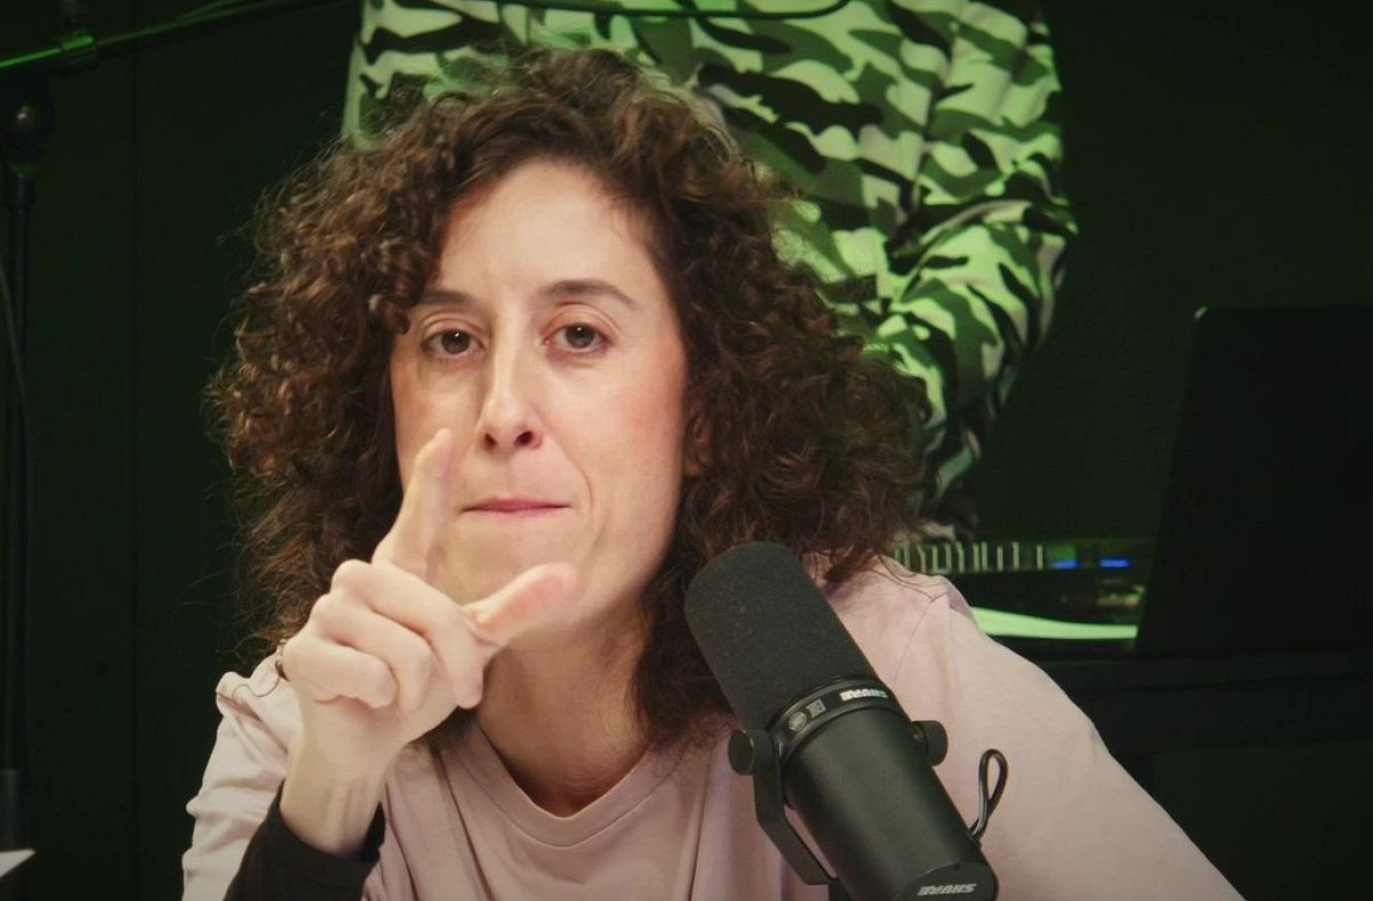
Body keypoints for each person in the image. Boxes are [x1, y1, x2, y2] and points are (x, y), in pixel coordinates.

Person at [183, 49, 1236, 900]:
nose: (503, 410)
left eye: (580, 333)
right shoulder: (308, 718)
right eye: (450, 341)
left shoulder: (884, 663)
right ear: (383, 405)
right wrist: (328, 799)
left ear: (702, 411)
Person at [341, 0, 1079, 536]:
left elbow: (998, 238)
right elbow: (399, 225)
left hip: (850, 545)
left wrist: (802, 442)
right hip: (490, 550)